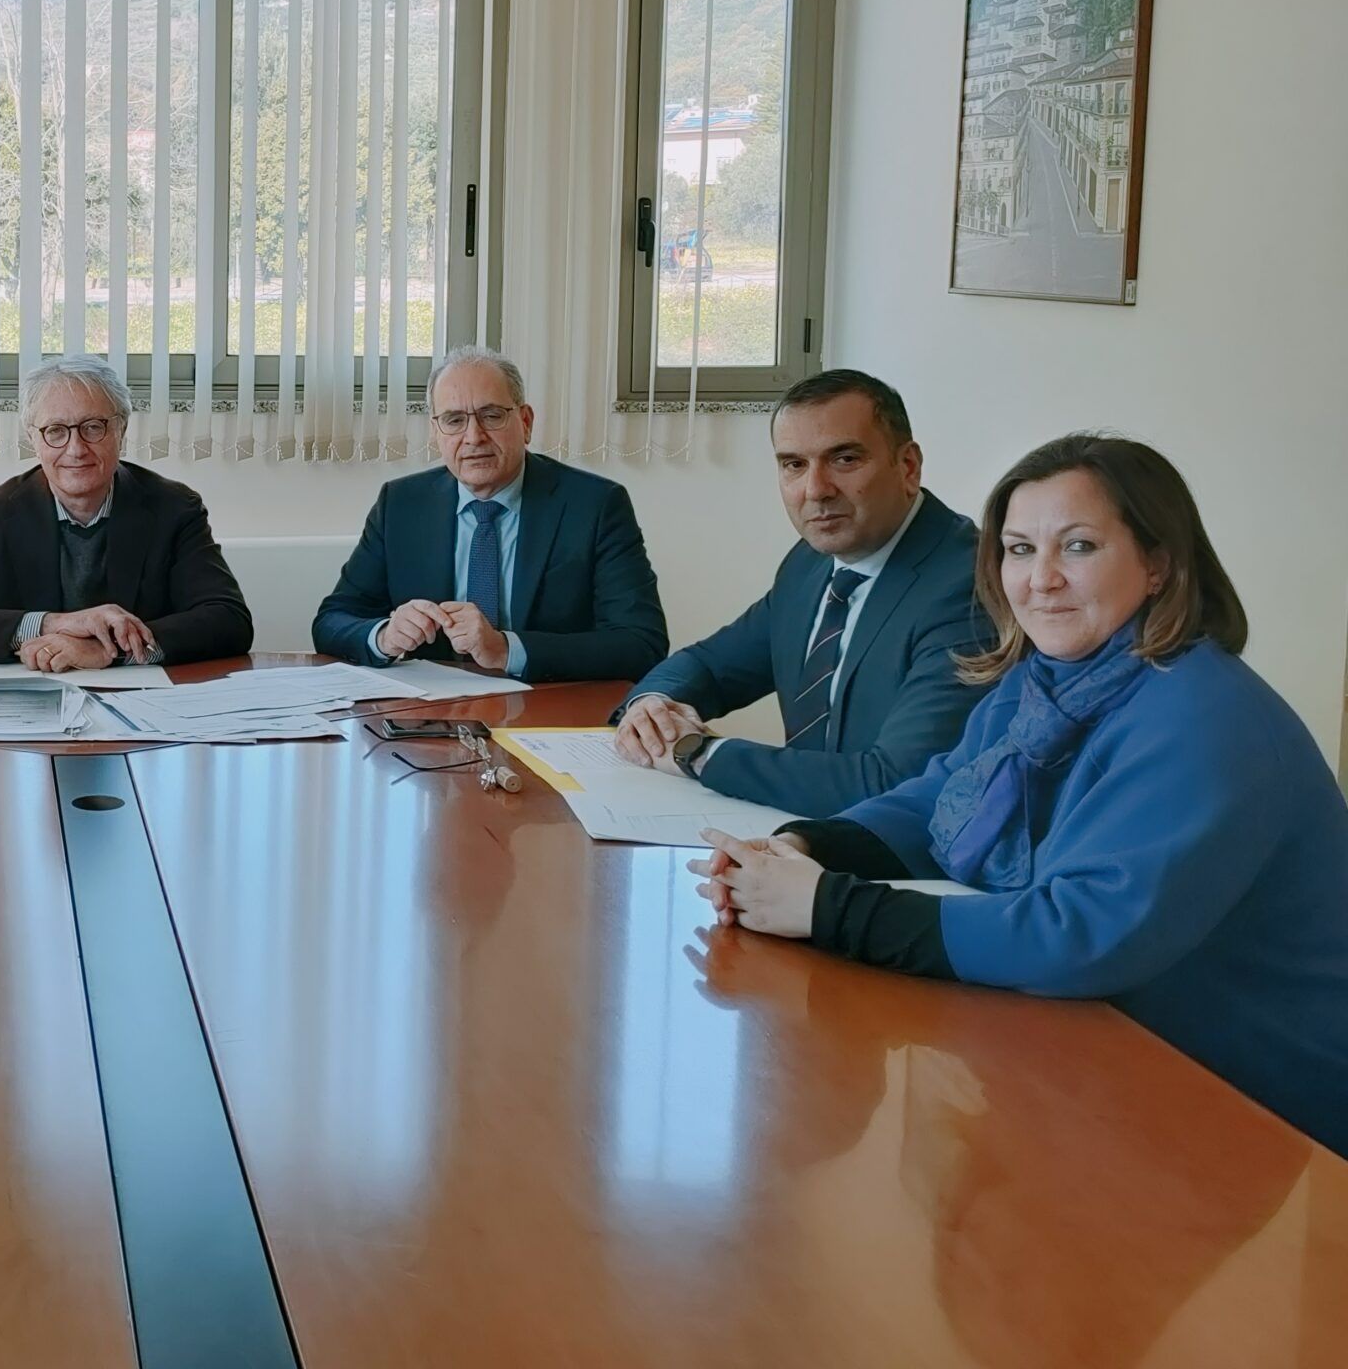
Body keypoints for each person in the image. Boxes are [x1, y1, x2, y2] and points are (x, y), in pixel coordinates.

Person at [693, 433, 1348, 1159]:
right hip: (1105, 1055)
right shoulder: (1046, 676)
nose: (1041, 580)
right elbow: (941, 799)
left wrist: (828, 906)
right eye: (1019, 549)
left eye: (1078, 547)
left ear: (1158, 563)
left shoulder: (1205, 717)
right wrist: (803, 847)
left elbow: (1077, 934)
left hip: (1251, 1105)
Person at [613, 369, 986, 817]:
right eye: (794, 464)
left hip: (896, 859)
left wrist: (698, 753)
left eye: (845, 459)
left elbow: (895, 782)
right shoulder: (811, 563)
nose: (816, 490)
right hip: (798, 838)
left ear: (907, 466)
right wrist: (651, 705)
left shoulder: (967, 586)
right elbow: (711, 665)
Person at [311, 347, 668, 680]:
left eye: (491, 416)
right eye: (453, 420)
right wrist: (385, 636)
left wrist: (506, 649)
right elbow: (332, 621)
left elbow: (641, 642)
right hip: (431, 712)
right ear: (436, 432)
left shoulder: (595, 505)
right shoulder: (401, 504)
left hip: (545, 707)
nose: (473, 437)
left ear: (525, 422)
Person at [0, 355, 251, 668]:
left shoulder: (173, 508)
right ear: (32, 439)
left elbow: (229, 620)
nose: (76, 449)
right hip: (30, 710)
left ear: (121, 430)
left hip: (142, 710)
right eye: (55, 431)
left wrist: (111, 650)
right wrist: (53, 624)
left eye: (93, 427)